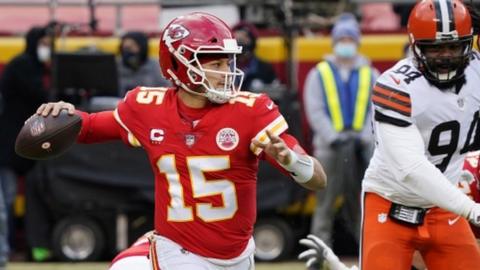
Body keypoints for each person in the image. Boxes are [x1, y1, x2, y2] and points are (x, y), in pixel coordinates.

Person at [34, 12, 327, 269]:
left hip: (237, 256)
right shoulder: (147, 107)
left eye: (228, 63)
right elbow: (89, 128)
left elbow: (318, 179)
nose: (226, 73)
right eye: (215, 64)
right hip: (178, 249)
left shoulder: (250, 111)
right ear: (179, 64)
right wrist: (64, 115)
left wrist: (290, 160)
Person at [360, 0, 480, 269]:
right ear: (415, 46)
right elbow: (410, 168)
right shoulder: (395, 86)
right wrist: (472, 209)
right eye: (435, 48)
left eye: (453, 46)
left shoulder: (476, 71)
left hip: (446, 207)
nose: (446, 55)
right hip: (391, 204)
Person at [302, 12, 377, 255]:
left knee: (363, 204)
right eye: (342, 39)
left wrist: (364, 136)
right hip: (329, 147)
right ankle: (318, 254)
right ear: (334, 42)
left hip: (362, 147)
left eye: (350, 39)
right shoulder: (319, 73)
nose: (346, 43)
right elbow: (314, 109)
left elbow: (375, 110)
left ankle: (368, 252)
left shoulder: (370, 73)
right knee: (324, 204)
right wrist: (332, 136)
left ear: (357, 41)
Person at [0, 25, 51, 268]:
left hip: (25, 144)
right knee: (6, 200)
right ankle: (7, 248)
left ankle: (24, 246)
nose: (47, 48)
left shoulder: (35, 66)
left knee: (23, 197)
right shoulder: (22, 65)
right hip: (9, 145)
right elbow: (38, 95)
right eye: (44, 42)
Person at [117, 31, 170, 96]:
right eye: (126, 48)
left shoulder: (157, 66)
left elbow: (166, 90)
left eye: (132, 47)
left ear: (142, 47)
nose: (128, 51)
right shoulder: (116, 66)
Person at [232, 22, 278, 92]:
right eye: (237, 39)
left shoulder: (264, 67)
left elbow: (275, 92)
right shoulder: (227, 66)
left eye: (244, 38)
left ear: (252, 41)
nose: (240, 42)